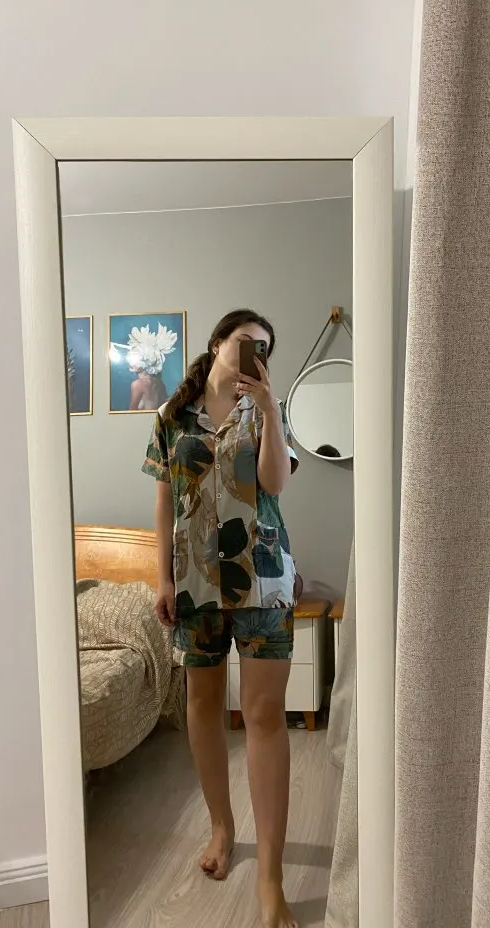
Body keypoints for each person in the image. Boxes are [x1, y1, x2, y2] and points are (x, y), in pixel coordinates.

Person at [142, 309, 300, 928]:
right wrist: (162, 576)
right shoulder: (170, 416)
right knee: (204, 706)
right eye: (245, 341)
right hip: (194, 583)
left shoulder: (266, 408)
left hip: (263, 579)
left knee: (263, 716)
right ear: (215, 344)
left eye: (265, 347)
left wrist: (269, 410)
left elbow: (274, 484)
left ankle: (270, 878)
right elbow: (163, 503)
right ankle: (221, 827)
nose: (255, 353)